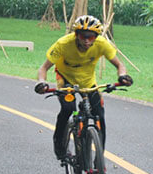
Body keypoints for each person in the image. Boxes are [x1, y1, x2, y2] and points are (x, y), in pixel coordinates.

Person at [34, 15, 133, 160]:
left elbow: (120, 65)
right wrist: (41, 82)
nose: (87, 40)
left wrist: (122, 76)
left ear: (96, 37)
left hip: (87, 82)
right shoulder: (63, 44)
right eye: (83, 36)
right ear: (76, 35)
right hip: (65, 78)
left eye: (91, 37)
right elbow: (43, 68)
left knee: (99, 114)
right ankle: (59, 146)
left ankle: (99, 161)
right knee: (68, 109)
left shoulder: (102, 44)